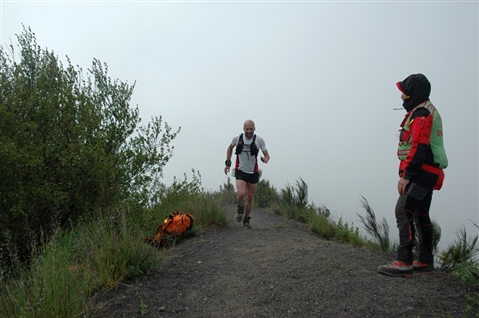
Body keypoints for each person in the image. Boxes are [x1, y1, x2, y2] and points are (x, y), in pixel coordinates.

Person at [378, 74, 448, 277]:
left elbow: (419, 146)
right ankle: (425, 261)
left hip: (421, 173)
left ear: (414, 93)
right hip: (429, 172)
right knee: (421, 215)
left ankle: (404, 261)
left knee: (403, 210)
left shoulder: (422, 113)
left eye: (405, 93)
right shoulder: (427, 110)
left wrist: (406, 176)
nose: (402, 98)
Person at [224, 120, 270, 228]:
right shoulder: (237, 139)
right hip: (240, 170)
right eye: (247, 129)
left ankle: (246, 219)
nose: (249, 131)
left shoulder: (259, 140)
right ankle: (240, 208)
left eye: (251, 129)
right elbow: (230, 148)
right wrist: (228, 163)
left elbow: (267, 155)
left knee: (250, 197)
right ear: (243, 128)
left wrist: (265, 159)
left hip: (253, 172)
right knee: (241, 194)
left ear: (254, 129)